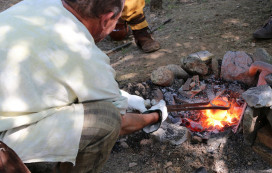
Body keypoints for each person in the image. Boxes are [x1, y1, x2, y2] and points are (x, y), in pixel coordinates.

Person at [0, 0, 167, 172]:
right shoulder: (83, 52)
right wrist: (155, 116)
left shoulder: (37, 4)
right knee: (107, 119)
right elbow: (121, 123)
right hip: (2, 144)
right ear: (107, 18)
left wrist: (120, 96)